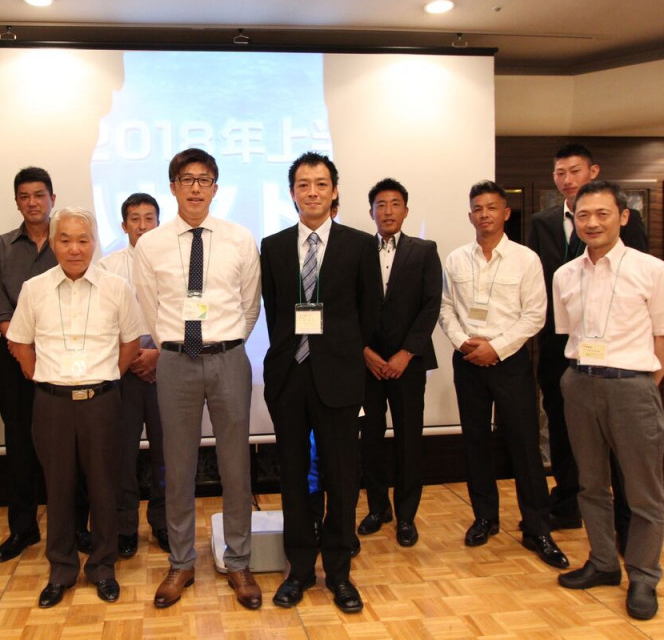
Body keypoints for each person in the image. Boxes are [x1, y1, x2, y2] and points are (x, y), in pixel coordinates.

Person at [134, 148, 263, 610]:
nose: (195, 187)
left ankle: (239, 561)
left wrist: (224, 342)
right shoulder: (150, 244)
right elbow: (150, 306)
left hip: (228, 358)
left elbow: (250, 304)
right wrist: (179, 345)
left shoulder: (239, 239)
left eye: (204, 179)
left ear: (215, 187)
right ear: (172, 187)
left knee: (235, 466)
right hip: (175, 362)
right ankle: (181, 562)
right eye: (186, 179)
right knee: (178, 467)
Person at [553, 181, 664, 621]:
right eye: (583, 215)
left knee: (643, 491)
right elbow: (568, 333)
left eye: (602, 214)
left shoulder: (651, 270)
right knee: (590, 483)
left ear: (622, 217)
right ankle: (604, 562)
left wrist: (643, 384)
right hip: (580, 382)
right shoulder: (565, 274)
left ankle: (643, 575)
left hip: (632, 386)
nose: (592, 223)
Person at [261, 152, 379, 613]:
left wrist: (340, 352)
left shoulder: (359, 244)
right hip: (289, 377)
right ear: (292, 193)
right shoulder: (273, 246)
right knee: (292, 478)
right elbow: (274, 310)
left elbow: (368, 313)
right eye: (303, 185)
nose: (312, 192)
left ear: (334, 192)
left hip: (339, 377)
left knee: (341, 478)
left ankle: (339, 572)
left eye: (321, 184)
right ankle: (300, 570)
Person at [7, 207, 143, 608]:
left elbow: (130, 343)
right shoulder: (34, 288)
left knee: (104, 488)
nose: (74, 248)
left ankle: (103, 567)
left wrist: (105, 378)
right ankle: (61, 569)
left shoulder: (117, 287)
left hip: (101, 402)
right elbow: (21, 343)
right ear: (53, 243)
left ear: (94, 243)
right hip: (52, 404)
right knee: (58, 489)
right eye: (65, 240)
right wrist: (47, 378)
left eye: (83, 240)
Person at [438, 181, 569, 569]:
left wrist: (495, 348)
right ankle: (485, 517)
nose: (484, 215)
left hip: (509, 362)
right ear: (470, 216)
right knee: (475, 442)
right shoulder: (456, 259)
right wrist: (464, 343)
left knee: (524, 443)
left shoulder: (526, 260)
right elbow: (445, 309)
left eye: (492, 208)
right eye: (478, 209)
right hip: (467, 360)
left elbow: (535, 315)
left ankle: (537, 527)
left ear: (506, 214)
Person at [529, 144, 646, 541]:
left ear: (593, 171)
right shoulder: (543, 221)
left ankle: (625, 519)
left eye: (574, 171)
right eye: (559, 172)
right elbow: (538, 281)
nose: (567, 179)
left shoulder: (627, 221)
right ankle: (567, 505)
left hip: (615, 350)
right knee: (563, 428)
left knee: (617, 440)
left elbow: (635, 283)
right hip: (560, 345)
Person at [0, 167, 89, 562]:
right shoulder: (1, 246)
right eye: (24, 196)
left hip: (66, 356)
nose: (32, 202)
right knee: (19, 442)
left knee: (72, 445)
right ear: (17, 202)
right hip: (16, 354)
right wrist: (20, 346)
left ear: (52, 199)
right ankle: (23, 528)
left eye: (39, 195)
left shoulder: (68, 242)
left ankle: (78, 527)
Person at [358, 178, 442, 548]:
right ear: (371, 211)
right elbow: (348, 304)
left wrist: (406, 353)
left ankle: (406, 515)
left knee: (409, 439)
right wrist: (364, 351)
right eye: (381, 205)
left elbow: (431, 304)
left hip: (409, 363)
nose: (388, 211)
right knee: (370, 439)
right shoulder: (358, 250)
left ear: (406, 210)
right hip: (368, 364)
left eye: (395, 204)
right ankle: (378, 509)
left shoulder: (424, 250)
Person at [97, 193, 169, 557]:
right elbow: (99, 322)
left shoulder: (175, 264)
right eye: (135, 219)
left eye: (149, 218)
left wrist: (159, 354)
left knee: (167, 454)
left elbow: (186, 314)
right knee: (121, 456)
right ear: (124, 226)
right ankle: (125, 527)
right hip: (121, 371)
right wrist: (129, 357)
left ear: (159, 223)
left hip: (166, 366)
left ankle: (164, 523)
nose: (142, 226)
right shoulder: (106, 267)